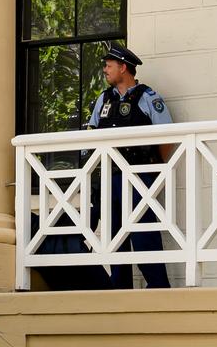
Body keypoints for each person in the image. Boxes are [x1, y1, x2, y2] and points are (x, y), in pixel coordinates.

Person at [86, 43, 173, 289]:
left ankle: (158, 287)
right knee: (114, 235)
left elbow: (167, 137)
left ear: (124, 68)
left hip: (139, 177)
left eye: (109, 65)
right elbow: (91, 135)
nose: (105, 69)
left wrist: (154, 169)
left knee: (143, 233)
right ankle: (120, 288)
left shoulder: (148, 97)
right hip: (110, 177)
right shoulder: (103, 99)